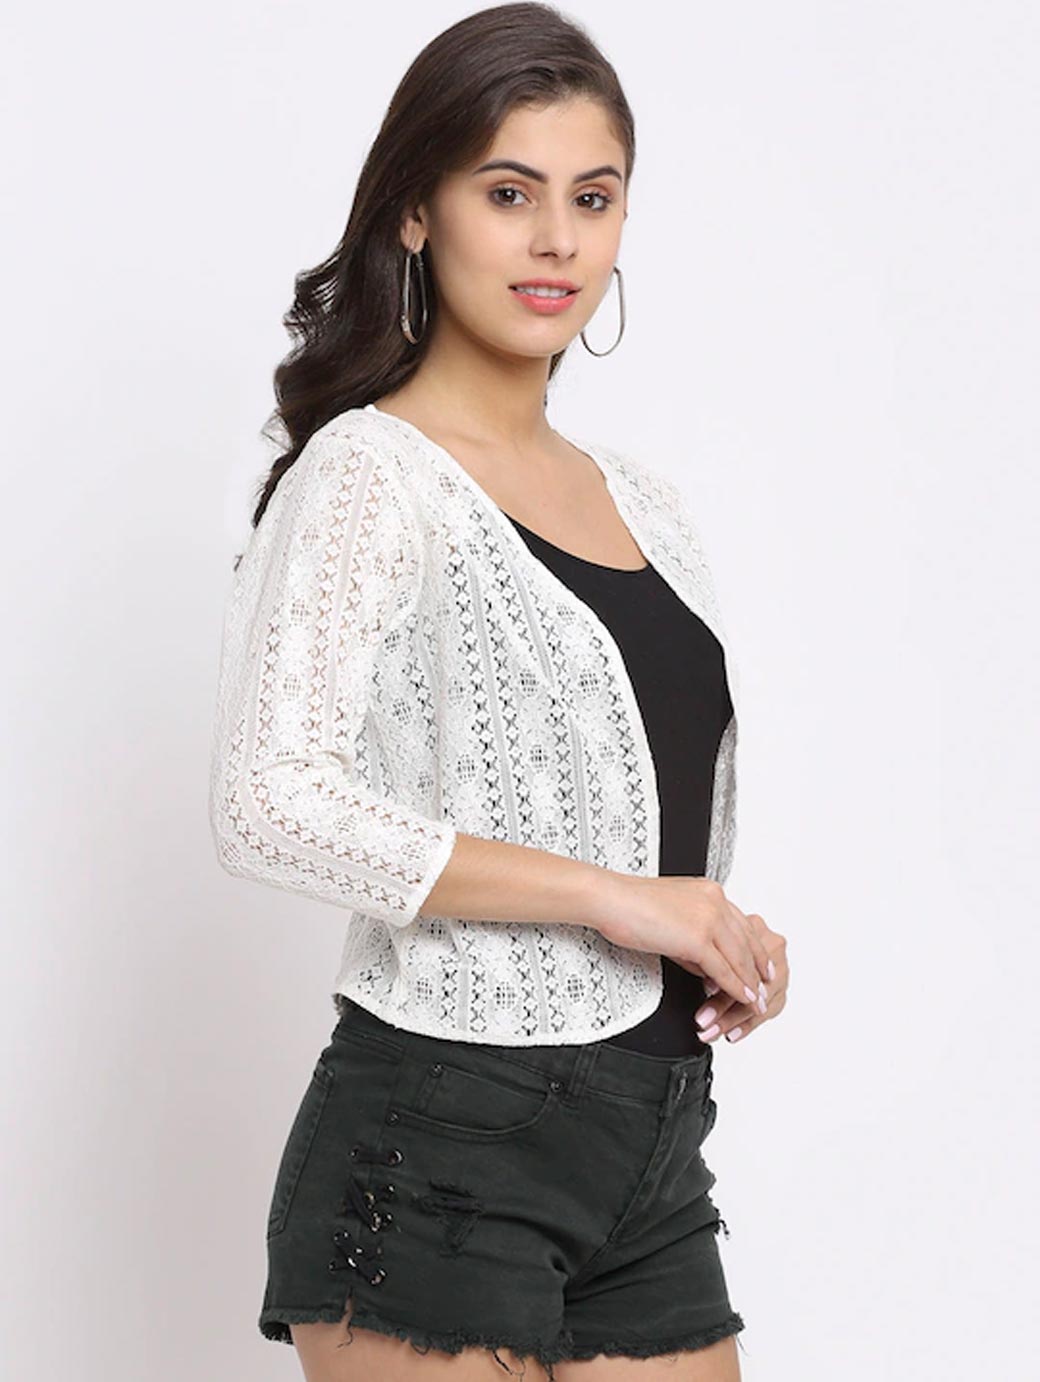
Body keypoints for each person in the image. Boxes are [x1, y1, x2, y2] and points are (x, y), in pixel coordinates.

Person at [208, 5, 788, 1378]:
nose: (556, 242)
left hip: (653, 1145)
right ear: (418, 212)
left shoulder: (646, 502)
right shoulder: (370, 474)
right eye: (509, 193)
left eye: (593, 198)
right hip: (439, 1140)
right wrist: (615, 898)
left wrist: (716, 932)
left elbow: (634, 802)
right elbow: (267, 802)